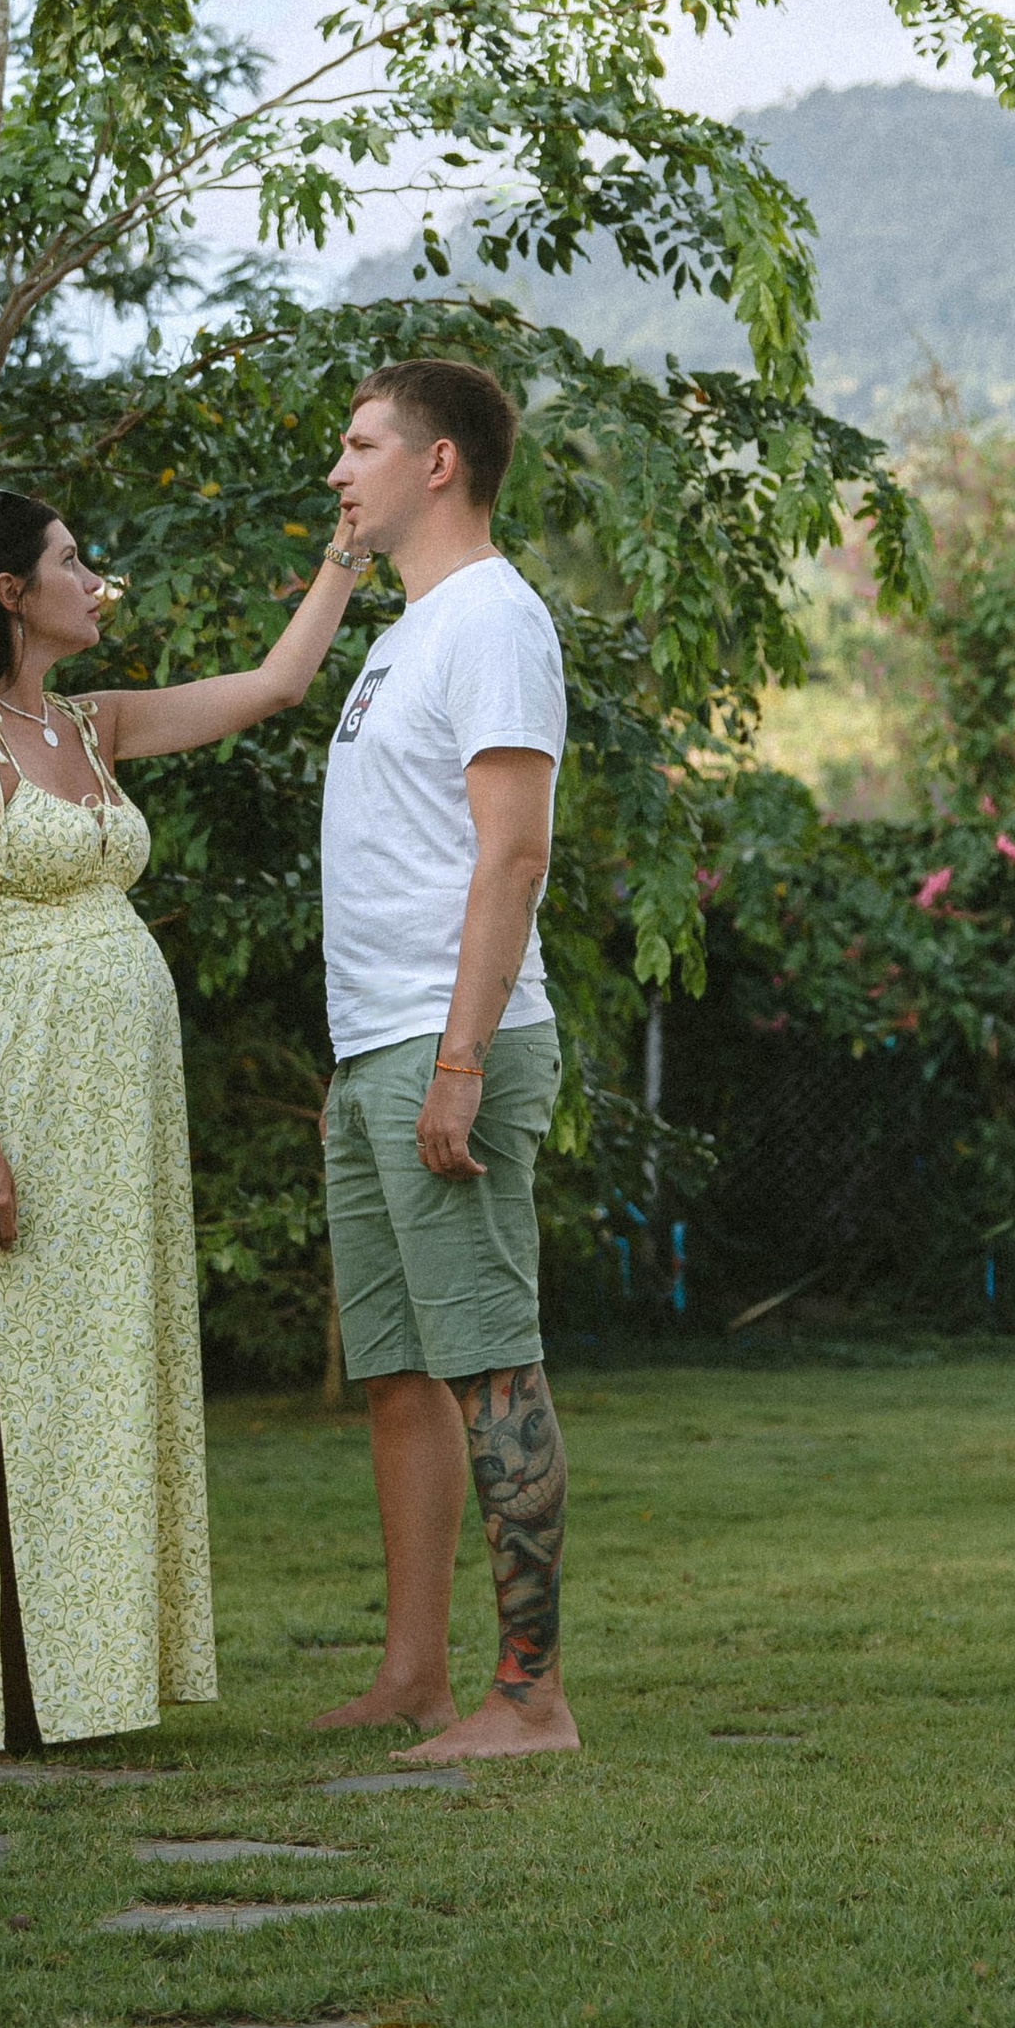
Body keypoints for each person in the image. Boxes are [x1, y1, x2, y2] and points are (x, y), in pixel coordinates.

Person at [0, 493, 364, 1758]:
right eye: (72, 561)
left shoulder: (92, 727)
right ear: (6, 589)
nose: (97, 580)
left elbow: (272, 685)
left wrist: (344, 559)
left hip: (116, 1121)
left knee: (94, 1376)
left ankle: (84, 1681)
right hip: (12, 1098)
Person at [312, 358, 581, 1762]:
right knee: (400, 1372)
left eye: (358, 446)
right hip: (380, 1045)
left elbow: (513, 850)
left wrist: (459, 1058)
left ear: (435, 463)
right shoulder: (404, 630)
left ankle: (529, 1700)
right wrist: (370, 1058)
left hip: (448, 1040)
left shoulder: (492, 618)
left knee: (488, 1364)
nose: (338, 470)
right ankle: (416, 1675)